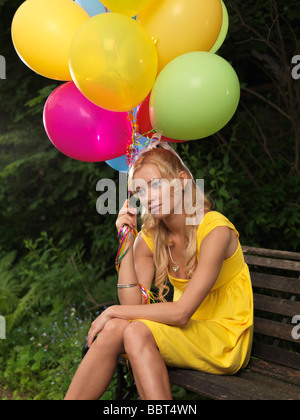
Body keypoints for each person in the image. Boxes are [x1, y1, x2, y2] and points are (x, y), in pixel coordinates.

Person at [64, 141, 253, 400]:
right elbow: (133, 304)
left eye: (155, 185)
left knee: (134, 329)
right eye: (139, 192)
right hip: (187, 334)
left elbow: (181, 313)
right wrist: (126, 239)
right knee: (119, 329)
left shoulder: (215, 229)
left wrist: (111, 311)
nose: (148, 198)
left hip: (224, 339)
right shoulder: (152, 236)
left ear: (182, 181)